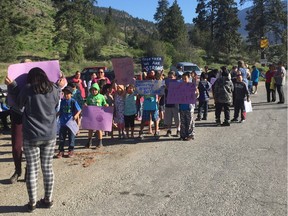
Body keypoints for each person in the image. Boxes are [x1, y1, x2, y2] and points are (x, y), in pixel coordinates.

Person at [5, 67, 65, 212]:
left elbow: (19, 105)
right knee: (48, 167)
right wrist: (60, 85)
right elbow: (58, 99)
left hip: (31, 135)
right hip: (50, 135)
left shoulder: (27, 89)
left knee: (32, 169)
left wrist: (13, 86)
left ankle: (31, 203)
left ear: (30, 79)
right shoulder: (53, 89)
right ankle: (48, 200)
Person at [8, 58, 32, 184]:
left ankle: (29, 170)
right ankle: (18, 171)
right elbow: (18, 98)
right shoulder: (13, 78)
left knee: (30, 146)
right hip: (17, 114)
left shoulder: (36, 80)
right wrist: (11, 84)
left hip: (32, 116)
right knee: (17, 146)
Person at [56, 86, 81, 158]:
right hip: (63, 122)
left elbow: (79, 110)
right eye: (65, 93)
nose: (66, 95)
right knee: (61, 137)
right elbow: (60, 110)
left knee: (71, 137)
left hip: (70, 122)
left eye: (68, 94)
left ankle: (71, 150)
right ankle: (61, 151)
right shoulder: (62, 101)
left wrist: (76, 115)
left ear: (71, 94)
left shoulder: (73, 101)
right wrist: (56, 115)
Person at [85, 83, 108, 148]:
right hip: (92, 116)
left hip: (99, 116)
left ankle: (100, 143)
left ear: (98, 90)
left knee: (99, 129)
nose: (94, 91)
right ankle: (89, 142)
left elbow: (105, 103)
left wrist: (106, 105)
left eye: (95, 90)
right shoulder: (89, 97)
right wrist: (85, 105)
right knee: (90, 129)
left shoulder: (101, 96)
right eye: (92, 90)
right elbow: (87, 103)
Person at [179, 72, 199, 140]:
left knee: (190, 121)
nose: (184, 80)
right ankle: (183, 135)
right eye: (182, 79)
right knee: (183, 122)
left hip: (189, 107)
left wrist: (196, 92)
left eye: (185, 78)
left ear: (188, 78)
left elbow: (197, 95)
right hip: (182, 107)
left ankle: (190, 134)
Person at [164, 71, 180, 137]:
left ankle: (178, 130)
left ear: (175, 77)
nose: (170, 78)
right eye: (169, 77)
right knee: (168, 118)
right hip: (168, 103)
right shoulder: (165, 83)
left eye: (172, 77)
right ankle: (169, 130)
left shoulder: (178, 84)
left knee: (177, 118)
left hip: (176, 103)